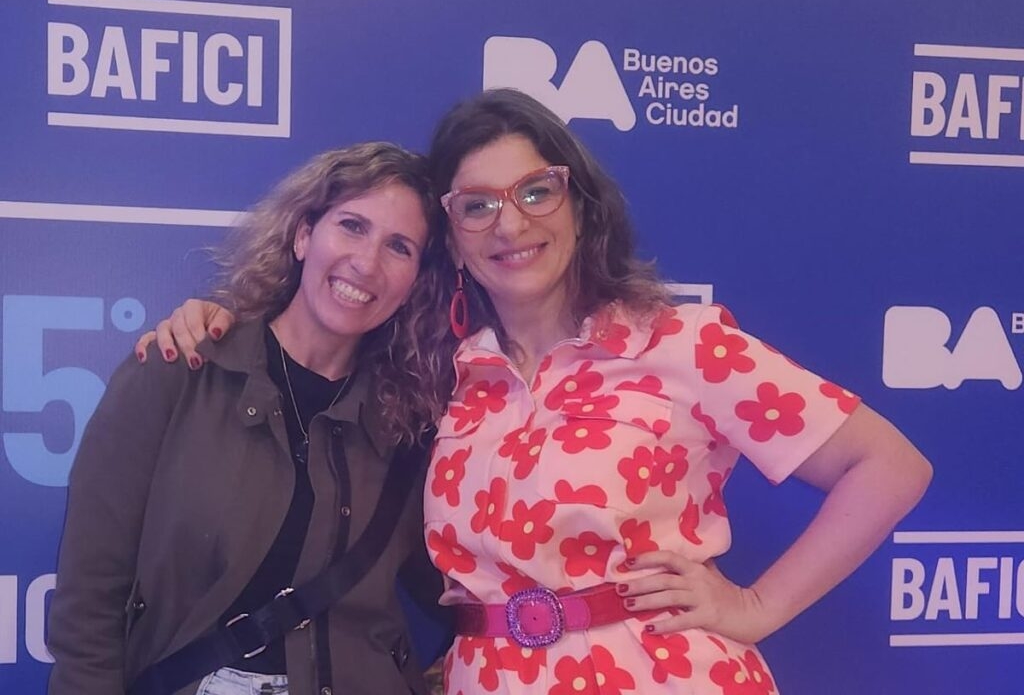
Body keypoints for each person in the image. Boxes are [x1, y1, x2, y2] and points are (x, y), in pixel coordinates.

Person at [141, 88, 932, 695]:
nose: (508, 224)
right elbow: (312, 348)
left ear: (578, 204)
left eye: (535, 191)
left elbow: (890, 468)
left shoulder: (679, 342)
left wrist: (757, 609)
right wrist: (219, 321)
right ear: (451, 237)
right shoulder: (438, 374)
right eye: (476, 205)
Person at [49, 142, 452, 695]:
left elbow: (464, 589)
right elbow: (90, 598)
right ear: (304, 233)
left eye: (399, 247)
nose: (367, 262)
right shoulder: (179, 371)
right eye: (352, 226)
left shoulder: (411, 423)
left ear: (415, 282)